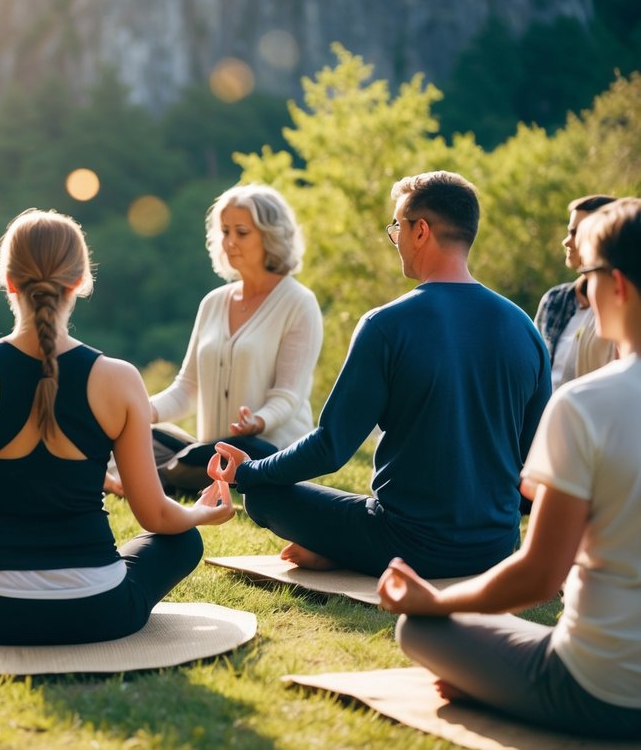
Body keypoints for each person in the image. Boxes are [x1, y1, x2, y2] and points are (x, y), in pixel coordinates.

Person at [0, 209, 235, 645]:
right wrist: (204, 511)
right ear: (81, 281)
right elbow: (157, 516)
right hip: (101, 611)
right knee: (184, 541)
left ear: (8, 281)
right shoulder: (121, 378)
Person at [379, 198, 641, 739]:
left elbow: (539, 575)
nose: (578, 291)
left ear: (616, 284)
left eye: (587, 274)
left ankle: (489, 682)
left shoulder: (585, 405)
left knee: (420, 630)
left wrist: (436, 599)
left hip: (603, 690)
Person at [210, 171, 550, 578]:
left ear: (420, 230)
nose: (396, 241)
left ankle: (344, 552)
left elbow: (332, 447)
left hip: (404, 545)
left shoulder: (386, 326)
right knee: (272, 468)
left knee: (263, 497)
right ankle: (343, 550)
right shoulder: (525, 329)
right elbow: (537, 459)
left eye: (396, 228)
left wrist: (249, 473)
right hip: (495, 548)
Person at [131, 184, 322, 494]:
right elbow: (186, 389)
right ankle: (170, 473)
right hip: (211, 450)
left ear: (270, 235)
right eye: (225, 231)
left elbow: (289, 396)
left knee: (220, 452)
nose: (230, 242)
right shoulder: (213, 302)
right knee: (149, 435)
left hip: (267, 450)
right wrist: (141, 411)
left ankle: (147, 477)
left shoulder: (299, 302)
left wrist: (257, 421)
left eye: (242, 232)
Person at [534, 194, 617, 390]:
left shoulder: (625, 305)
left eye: (576, 233)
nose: (566, 241)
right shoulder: (555, 300)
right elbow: (534, 370)